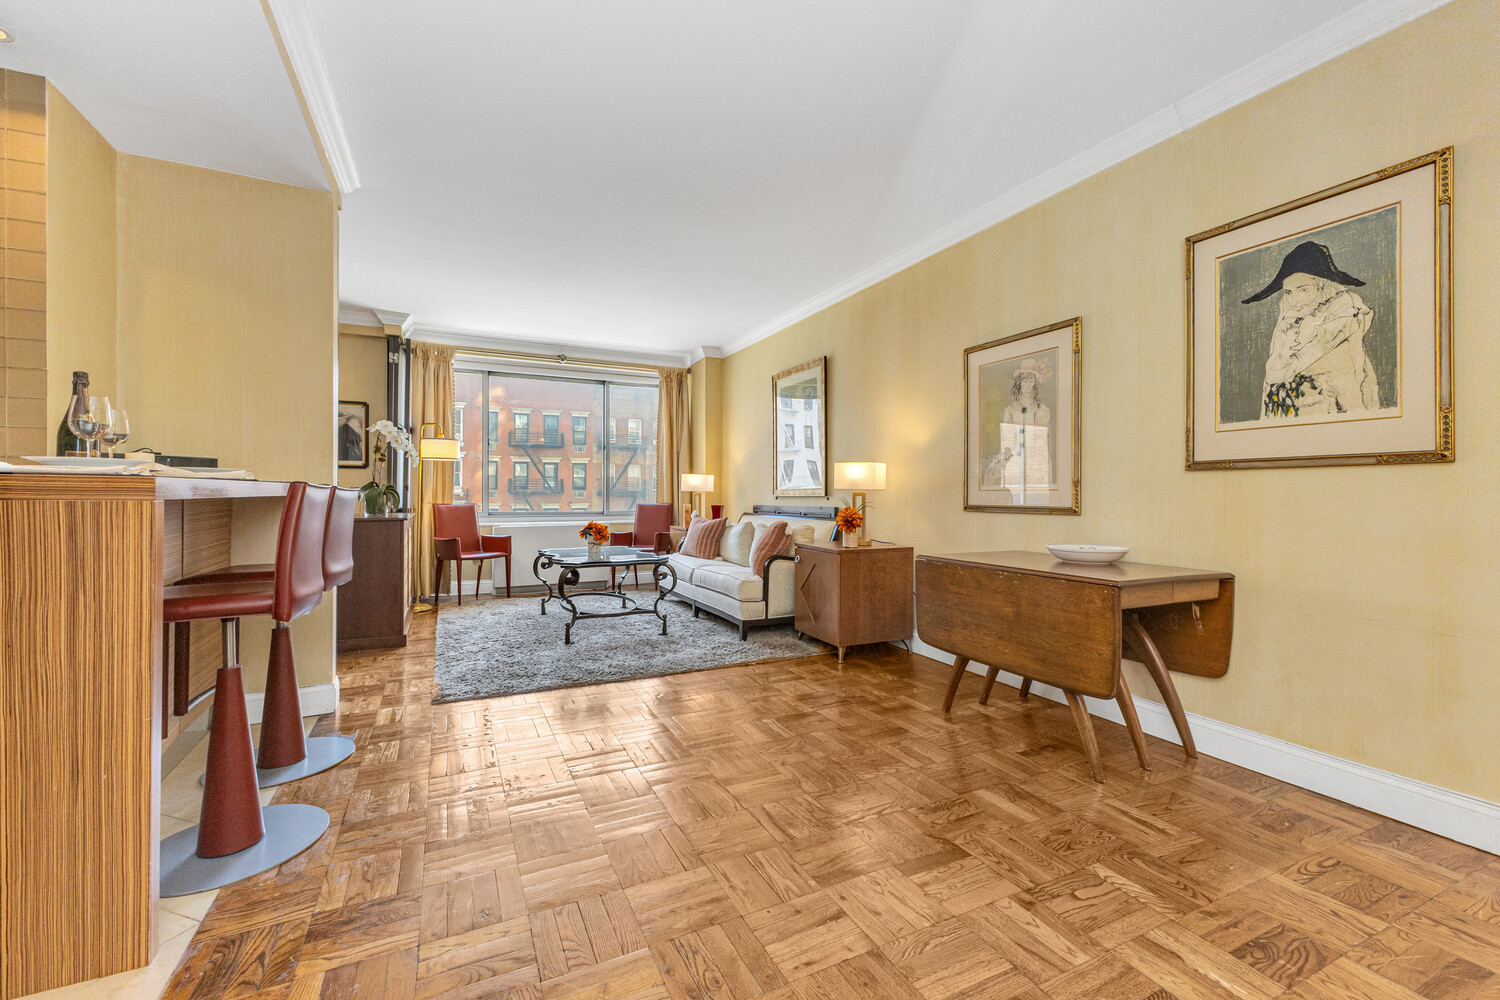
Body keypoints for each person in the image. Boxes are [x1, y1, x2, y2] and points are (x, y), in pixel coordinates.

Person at [1242, 240, 1378, 420]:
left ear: (1323, 286)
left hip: (1332, 407)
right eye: (1288, 292)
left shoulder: (1344, 312)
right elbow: (1274, 373)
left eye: (1303, 290)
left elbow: (1283, 369)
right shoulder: (1292, 315)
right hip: (1294, 407)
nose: (1295, 299)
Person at [981, 356, 1052, 493]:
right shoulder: (1009, 410)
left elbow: (1040, 442)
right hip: (1014, 464)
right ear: (1019, 383)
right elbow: (1006, 443)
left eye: (1031, 380)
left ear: (1035, 383)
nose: (1028, 385)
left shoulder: (1043, 410)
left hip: (1036, 465)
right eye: (1025, 380)